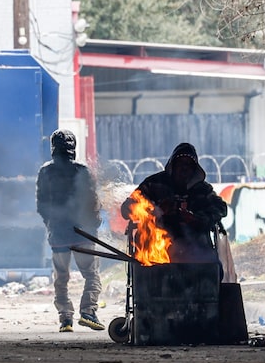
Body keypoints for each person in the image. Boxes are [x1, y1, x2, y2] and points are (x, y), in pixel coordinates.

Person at [36, 129, 104, 333]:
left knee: (61, 278)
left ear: (53, 148)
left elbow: (42, 205)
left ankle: (65, 318)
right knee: (91, 275)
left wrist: (51, 225)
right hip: (82, 234)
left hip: (58, 235)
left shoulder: (45, 171)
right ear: (73, 148)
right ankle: (88, 311)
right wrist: (95, 223)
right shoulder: (82, 171)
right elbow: (91, 202)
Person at [120, 142, 227, 267]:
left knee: (214, 268)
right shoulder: (154, 184)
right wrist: (156, 210)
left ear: (194, 169)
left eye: (188, 164)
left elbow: (221, 208)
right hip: (155, 252)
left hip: (195, 250)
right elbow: (126, 209)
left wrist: (196, 219)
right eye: (180, 163)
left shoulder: (202, 189)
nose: (184, 168)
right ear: (173, 165)